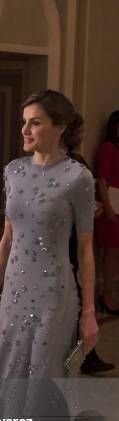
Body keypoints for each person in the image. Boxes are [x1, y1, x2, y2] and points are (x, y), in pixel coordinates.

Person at [0, 90, 100, 421]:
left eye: (34, 122)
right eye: (24, 122)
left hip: (55, 296)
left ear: (60, 127)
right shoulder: (13, 171)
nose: (25, 130)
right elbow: (7, 240)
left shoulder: (77, 179)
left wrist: (89, 312)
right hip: (14, 295)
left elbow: (85, 251)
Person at [65, 113, 115, 375]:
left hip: (71, 238)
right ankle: (85, 353)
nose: (83, 135)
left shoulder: (72, 161)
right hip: (70, 240)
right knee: (77, 295)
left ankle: (84, 353)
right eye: (80, 130)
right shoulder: (72, 162)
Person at [94, 110, 119, 315]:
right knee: (110, 252)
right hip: (111, 204)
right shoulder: (108, 148)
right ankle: (107, 296)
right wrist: (108, 208)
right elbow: (101, 179)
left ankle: (109, 294)